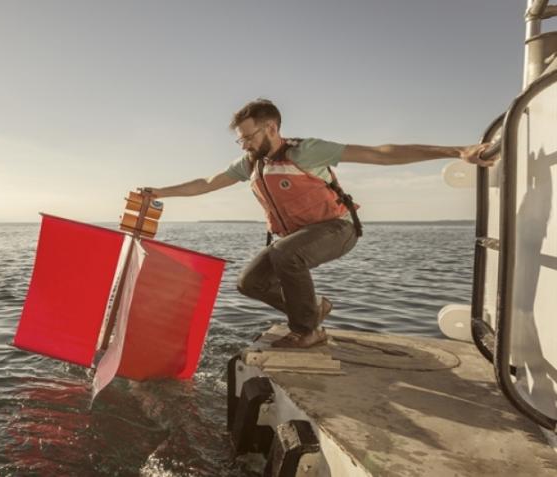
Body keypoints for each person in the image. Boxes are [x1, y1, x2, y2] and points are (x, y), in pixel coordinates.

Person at [144, 99, 495, 348]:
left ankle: (307, 332)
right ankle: (315, 310)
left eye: (249, 136)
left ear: (272, 128)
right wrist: (158, 191)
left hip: (337, 230)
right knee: (249, 283)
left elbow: (379, 153)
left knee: (284, 255)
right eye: (241, 139)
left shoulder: (305, 150)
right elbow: (206, 183)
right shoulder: (250, 163)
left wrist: (455, 151)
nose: (245, 143)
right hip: (296, 238)